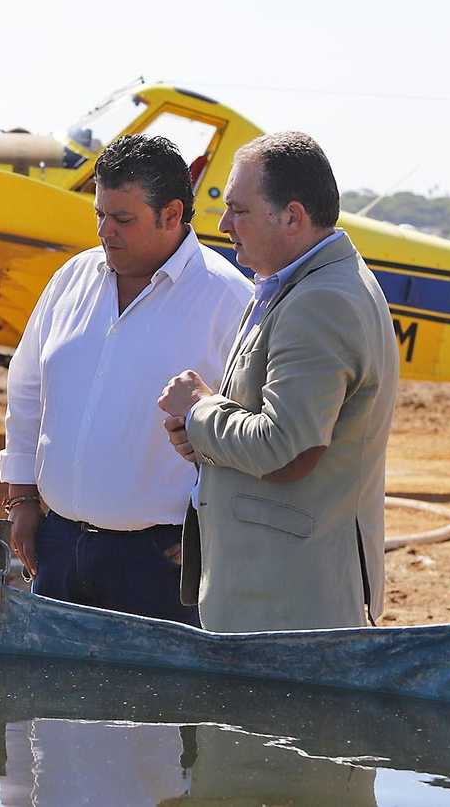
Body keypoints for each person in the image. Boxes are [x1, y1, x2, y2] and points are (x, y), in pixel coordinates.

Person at [0, 134, 250, 623]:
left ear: (172, 214)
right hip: (58, 549)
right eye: (100, 215)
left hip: (163, 566)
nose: (104, 232)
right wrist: (22, 497)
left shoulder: (230, 301)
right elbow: (28, 389)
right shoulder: (70, 280)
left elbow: (256, 433)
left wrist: (216, 537)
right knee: (53, 698)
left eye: (123, 219)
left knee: (155, 700)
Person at [157, 130, 397, 632]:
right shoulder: (300, 285)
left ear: (292, 216)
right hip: (279, 594)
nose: (223, 225)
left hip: (286, 604)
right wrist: (202, 436)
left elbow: (286, 449)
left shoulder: (319, 301)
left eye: (238, 210)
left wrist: (200, 410)